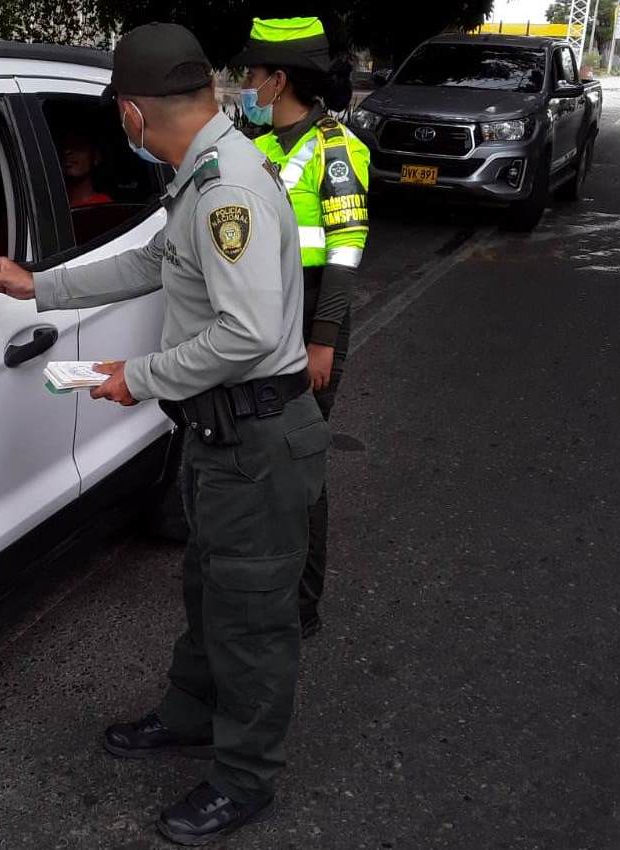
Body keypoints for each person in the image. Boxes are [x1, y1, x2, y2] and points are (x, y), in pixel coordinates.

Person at [0, 22, 329, 847]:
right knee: (211, 593)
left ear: (132, 114)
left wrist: (139, 376)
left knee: (250, 621)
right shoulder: (204, 172)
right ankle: (191, 715)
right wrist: (40, 286)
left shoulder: (228, 190)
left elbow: (246, 334)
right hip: (222, 435)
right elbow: (153, 264)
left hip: (257, 440)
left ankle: (245, 779)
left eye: (117, 115)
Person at [233, 16, 370, 639]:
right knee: (265, 451)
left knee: (303, 463)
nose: (245, 84)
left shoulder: (338, 149)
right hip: (264, 314)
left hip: (315, 313)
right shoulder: (254, 146)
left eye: (252, 74)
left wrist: (323, 343)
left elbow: (344, 256)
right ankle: (262, 574)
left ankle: (302, 604)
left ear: (278, 81)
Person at [58, 129, 113, 207]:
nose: (67, 151)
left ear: (96, 156)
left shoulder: (103, 205)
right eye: (64, 146)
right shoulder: (51, 202)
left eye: (78, 145)